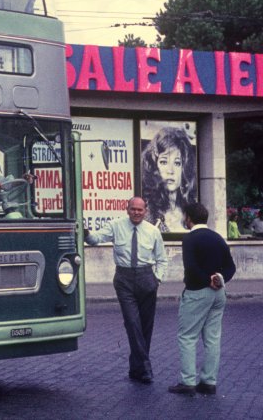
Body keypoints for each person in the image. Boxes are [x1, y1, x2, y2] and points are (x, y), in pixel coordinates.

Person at [85, 197, 168, 383]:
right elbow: (95, 239)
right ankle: (146, 367)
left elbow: (162, 259)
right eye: (133, 209)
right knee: (132, 323)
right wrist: (85, 233)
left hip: (147, 279)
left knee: (145, 326)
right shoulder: (116, 226)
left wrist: (157, 279)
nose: (136, 212)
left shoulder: (153, 231)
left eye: (140, 210)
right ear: (127, 209)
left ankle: (135, 368)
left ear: (145, 211)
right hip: (124, 280)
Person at [168, 202, 236, 396]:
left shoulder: (190, 239)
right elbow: (231, 267)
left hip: (197, 292)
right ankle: (209, 381)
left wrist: (207, 280)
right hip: (219, 294)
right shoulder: (218, 238)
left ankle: (188, 382)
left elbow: (190, 267)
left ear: (188, 218)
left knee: (187, 337)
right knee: (212, 338)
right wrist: (220, 279)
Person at [141, 125, 197, 233]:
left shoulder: (191, 209)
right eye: (163, 162)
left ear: (183, 168)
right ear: (154, 166)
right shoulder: (148, 213)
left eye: (177, 163)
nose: (170, 171)